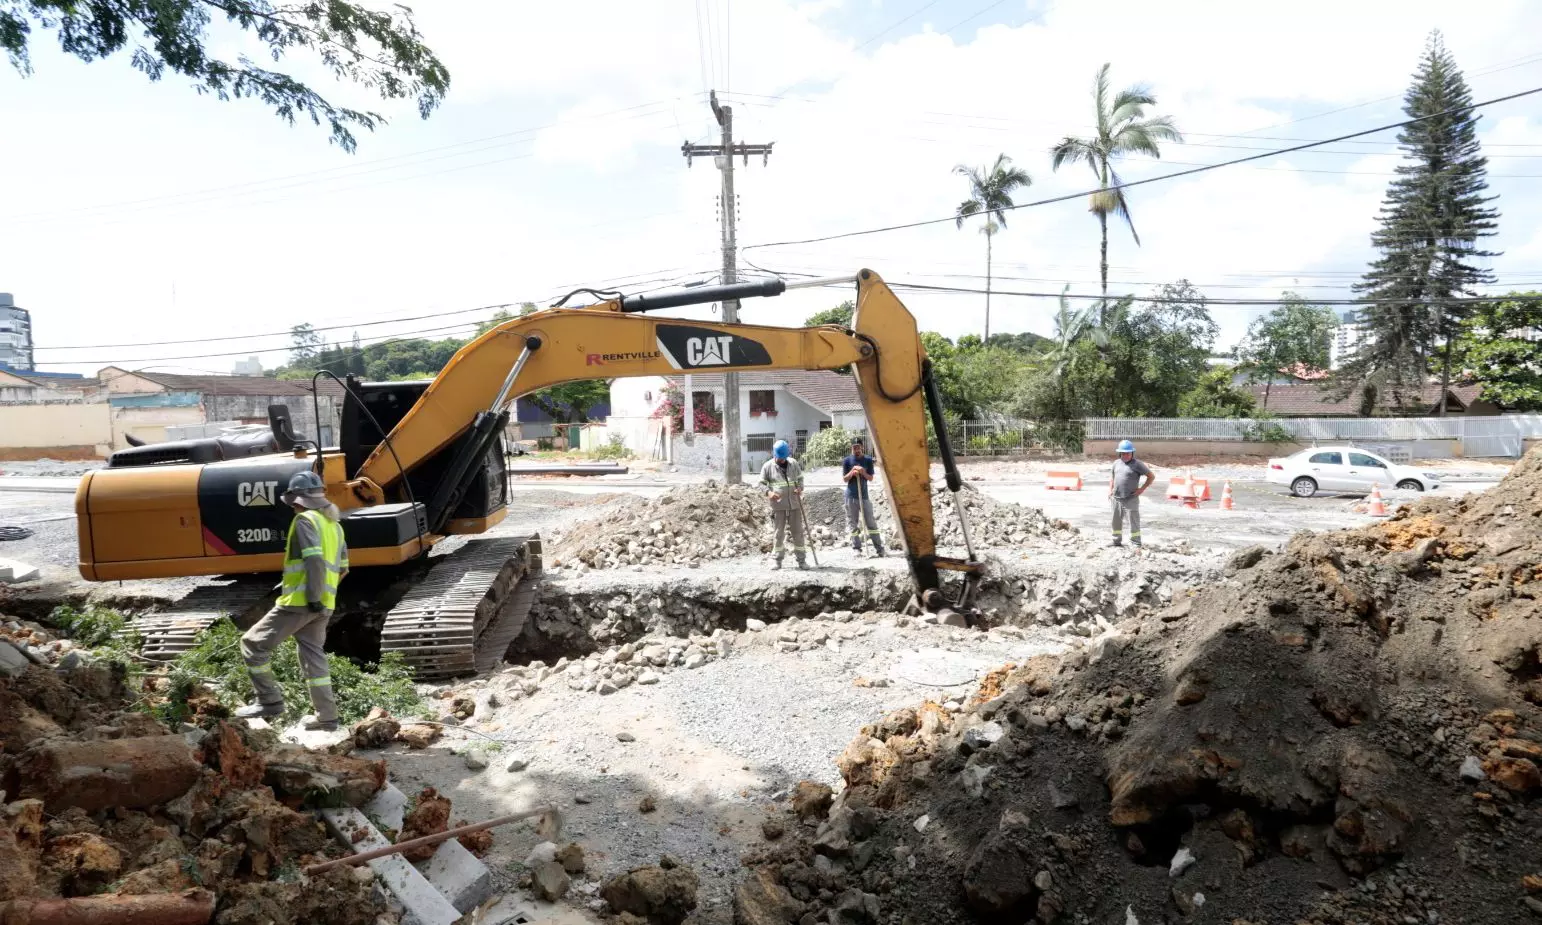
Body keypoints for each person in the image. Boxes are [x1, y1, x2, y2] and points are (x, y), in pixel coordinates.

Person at [235, 470, 350, 731]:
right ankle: (327, 717)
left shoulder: (304, 521)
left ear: (295, 500)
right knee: (312, 656)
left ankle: (269, 701)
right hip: (324, 605)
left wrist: (312, 597)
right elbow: (343, 569)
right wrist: (323, 598)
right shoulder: (335, 526)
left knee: (252, 644)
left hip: (301, 602)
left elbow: (314, 561)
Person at [758, 440, 808, 570]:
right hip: (778, 506)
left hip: (794, 504)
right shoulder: (767, 467)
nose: (782, 460)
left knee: (798, 533)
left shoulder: (794, 463)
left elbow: (800, 479)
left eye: (784, 457)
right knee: (778, 534)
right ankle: (777, 560)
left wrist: (800, 488)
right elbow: (761, 484)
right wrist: (769, 493)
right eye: (780, 458)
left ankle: (801, 560)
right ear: (775, 455)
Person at [841, 437, 885, 557]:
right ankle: (856, 548)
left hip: (864, 497)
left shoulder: (868, 460)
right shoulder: (847, 461)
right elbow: (845, 479)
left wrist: (862, 472)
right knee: (853, 523)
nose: (856, 450)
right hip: (851, 497)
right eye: (854, 448)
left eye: (858, 447)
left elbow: (870, 478)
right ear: (852, 448)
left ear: (862, 447)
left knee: (871, 522)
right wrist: (852, 473)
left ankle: (879, 548)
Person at [1108, 439, 1154, 548]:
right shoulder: (1116, 463)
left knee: (1133, 522)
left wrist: (1141, 489)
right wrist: (1110, 490)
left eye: (1128, 453)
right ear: (1120, 453)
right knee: (1116, 521)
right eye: (1123, 453)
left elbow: (1151, 476)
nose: (1126, 455)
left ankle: (1136, 543)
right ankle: (1116, 541)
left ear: (1132, 453)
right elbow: (1112, 478)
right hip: (1116, 498)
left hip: (1131, 498)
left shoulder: (1138, 464)